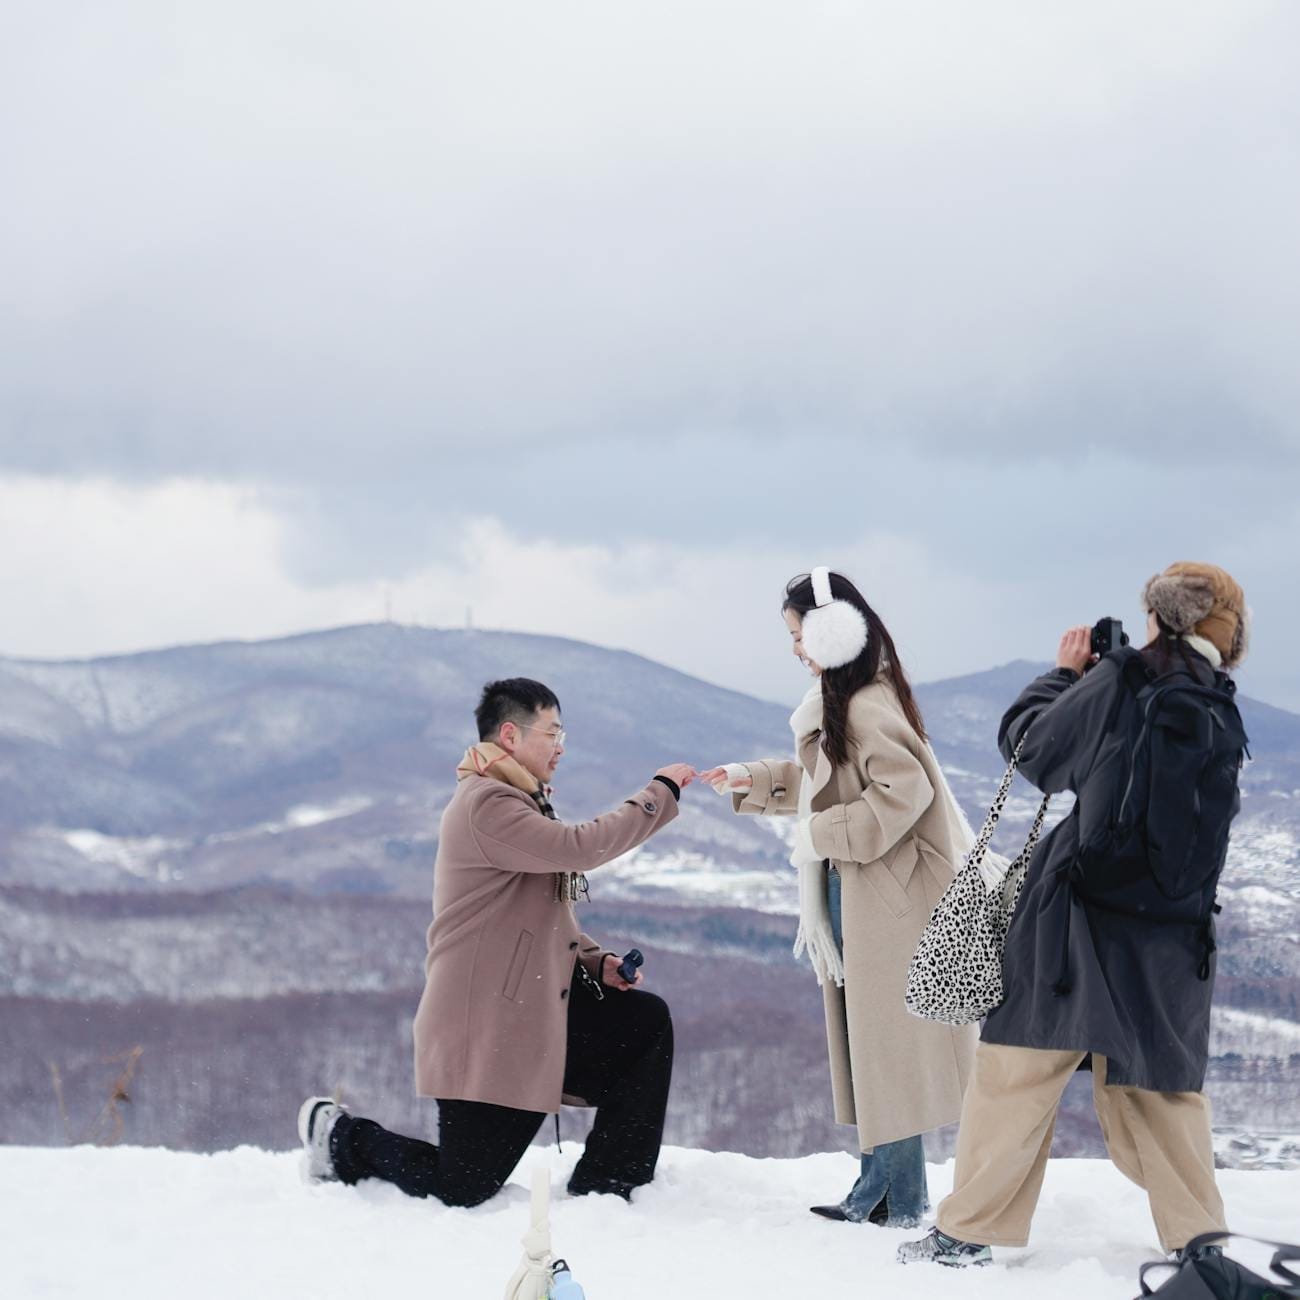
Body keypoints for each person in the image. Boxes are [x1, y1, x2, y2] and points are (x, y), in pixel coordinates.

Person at [899, 562, 1249, 1267]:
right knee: (1157, 1089)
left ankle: (965, 1232)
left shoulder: (1125, 676)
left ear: (1161, 617)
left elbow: (1033, 750)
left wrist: (1063, 676)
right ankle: (1200, 1240)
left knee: (1016, 1071)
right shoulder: (1219, 702)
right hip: (1174, 936)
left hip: (1076, 919)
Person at [297, 676, 696, 1206]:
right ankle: (341, 1138)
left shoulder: (522, 801)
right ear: (510, 735)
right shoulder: (487, 805)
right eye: (552, 732)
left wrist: (597, 963)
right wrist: (657, 795)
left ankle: (610, 1181)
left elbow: (545, 918)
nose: (561, 746)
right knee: (462, 1187)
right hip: (487, 1029)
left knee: (644, 1022)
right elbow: (582, 848)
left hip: (532, 1014)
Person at [702, 568, 977, 1227]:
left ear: (831, 631)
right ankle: (878, 1188)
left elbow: (900, 794)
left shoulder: (865, 702)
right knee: (873, 1042)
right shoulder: (845, 696)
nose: (796, 648)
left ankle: (900, 1197)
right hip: (864, 886)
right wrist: (754, 780)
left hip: (883, 894)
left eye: (800, 634)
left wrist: (818, 831)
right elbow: (830, 780)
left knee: (888, 1046)